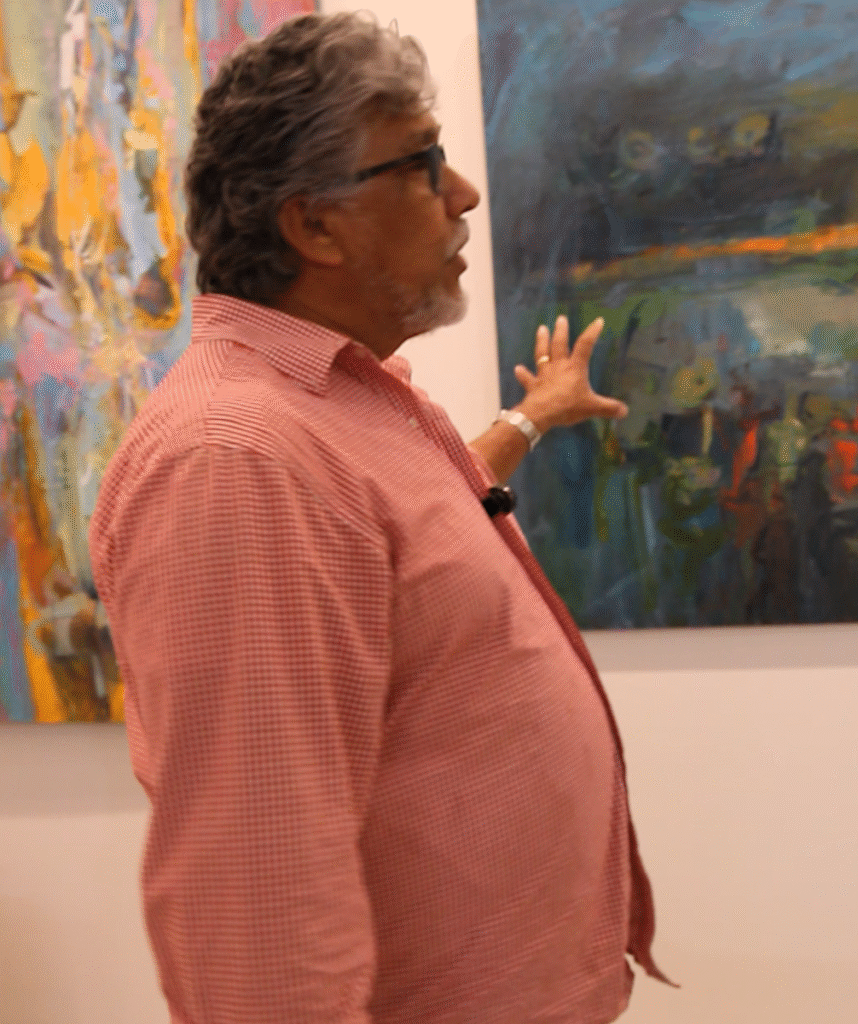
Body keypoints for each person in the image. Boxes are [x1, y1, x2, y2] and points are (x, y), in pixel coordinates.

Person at [88, 12, 670, 1024]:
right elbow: (259, 901)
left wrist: (531, 417)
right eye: (423, 162)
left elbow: (420, 540)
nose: (464, 194)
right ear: (315, 227)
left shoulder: (343, 408)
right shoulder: (238, 459)